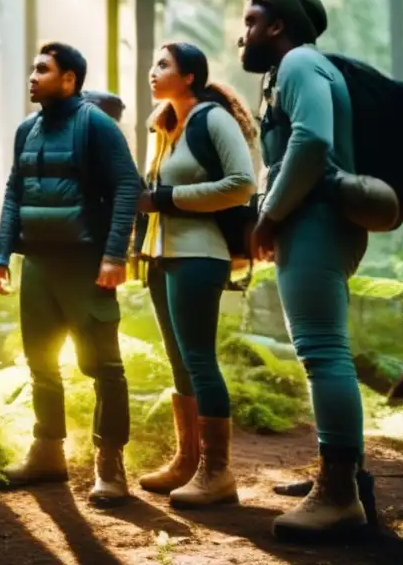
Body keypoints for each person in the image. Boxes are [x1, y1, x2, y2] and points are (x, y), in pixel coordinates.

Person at [239, 0, 372, 540]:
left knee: (323, 353)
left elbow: (313, 141)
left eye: (250, 21)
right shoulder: (291, 70)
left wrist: (268, 216)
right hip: (312, 222)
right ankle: (342, 475)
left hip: (316, 220)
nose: (241, 33)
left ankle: (340, 496)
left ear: (277, 25)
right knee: (321, 350)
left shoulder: (299, 63)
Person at [0, 42, 140, 508]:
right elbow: (15, 190)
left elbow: (126, 185)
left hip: (85, 265)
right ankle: (47, 452)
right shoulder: (26, 130)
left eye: (43, 70)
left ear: (69, 79)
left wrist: (115, 255)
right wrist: (1, 253)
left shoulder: (95, 124)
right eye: (33, 68)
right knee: (40, 363)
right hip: (36, 264)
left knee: (104, 367)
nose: (32, 77)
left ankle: (110, 463)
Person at [133, 42, 257, 508]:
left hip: (200, 255)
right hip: (161, 257)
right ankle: (187, 461)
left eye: (162, 64)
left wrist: (166, 198)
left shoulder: (212, 119)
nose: (153, 70)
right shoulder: (164, 126)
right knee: (179, 360)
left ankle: (217, 472)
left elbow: (242, 184)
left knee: (199, 358)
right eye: (153, 61)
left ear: (189, 76)